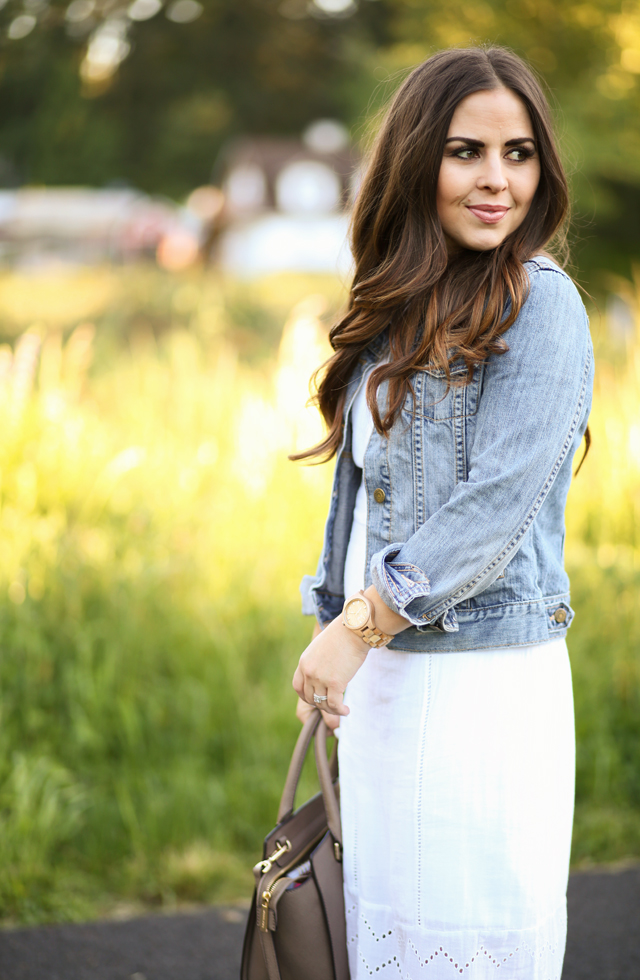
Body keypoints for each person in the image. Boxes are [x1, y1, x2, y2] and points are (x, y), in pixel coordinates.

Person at [292, 46, 593, 980]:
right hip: (384, 684)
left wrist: (354, 627)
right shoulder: (392, 307)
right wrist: (334, 637)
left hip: (480, 687)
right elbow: (365, 499)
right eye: (468, 151)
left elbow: (496, 506)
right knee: (391, 936)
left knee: (465, 942)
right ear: (419, 159)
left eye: (519, 154)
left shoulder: (542, 304)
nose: (496, 179)